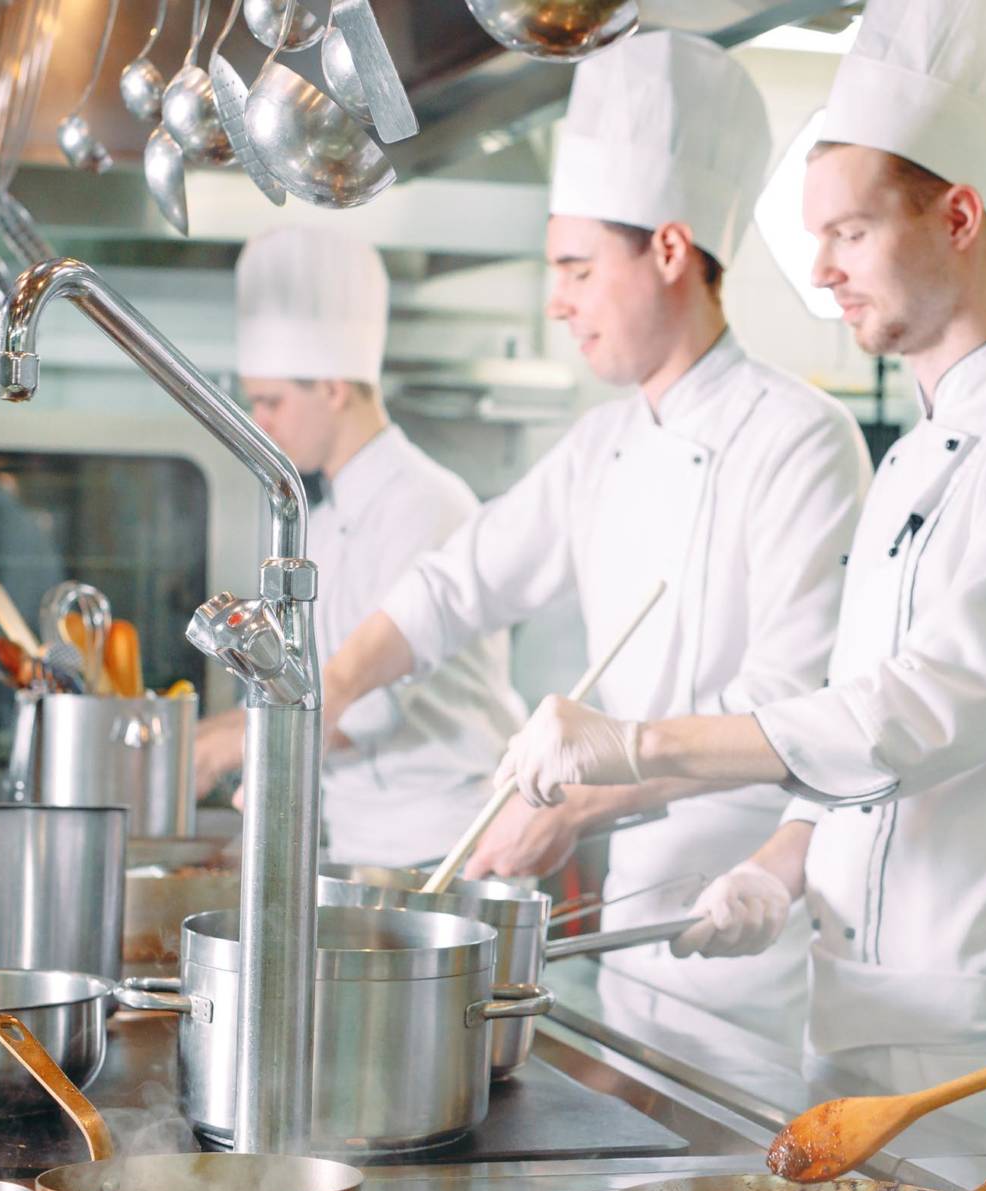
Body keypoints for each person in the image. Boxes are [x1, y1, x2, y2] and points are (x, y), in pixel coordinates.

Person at [488, 0, 986, 1147]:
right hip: (850, 1012)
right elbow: (854, 738)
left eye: (848, 233)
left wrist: (636, 744)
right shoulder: (910, 456)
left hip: (978, 1045)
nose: (820, 270)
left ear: (958, 216)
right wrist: (777, 864)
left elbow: (927, 712)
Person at [319, 31, 871, 1034]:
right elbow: (456, 585)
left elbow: (786, 713)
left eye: (575, 267)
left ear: (668, 250)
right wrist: (334, 684)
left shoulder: (803, 440)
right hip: (632, 947)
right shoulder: (601, 443)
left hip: (755, 939)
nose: (556, 300)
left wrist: (576, 801)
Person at [194, 225, 525, 867]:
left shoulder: (425, 504)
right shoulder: (317, 519)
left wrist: (224, 748)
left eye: (270, 402)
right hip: (359, 839)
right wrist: (204, 735)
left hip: (443, 845)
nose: (257, 424)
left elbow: (366, 707)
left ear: (333, 388)